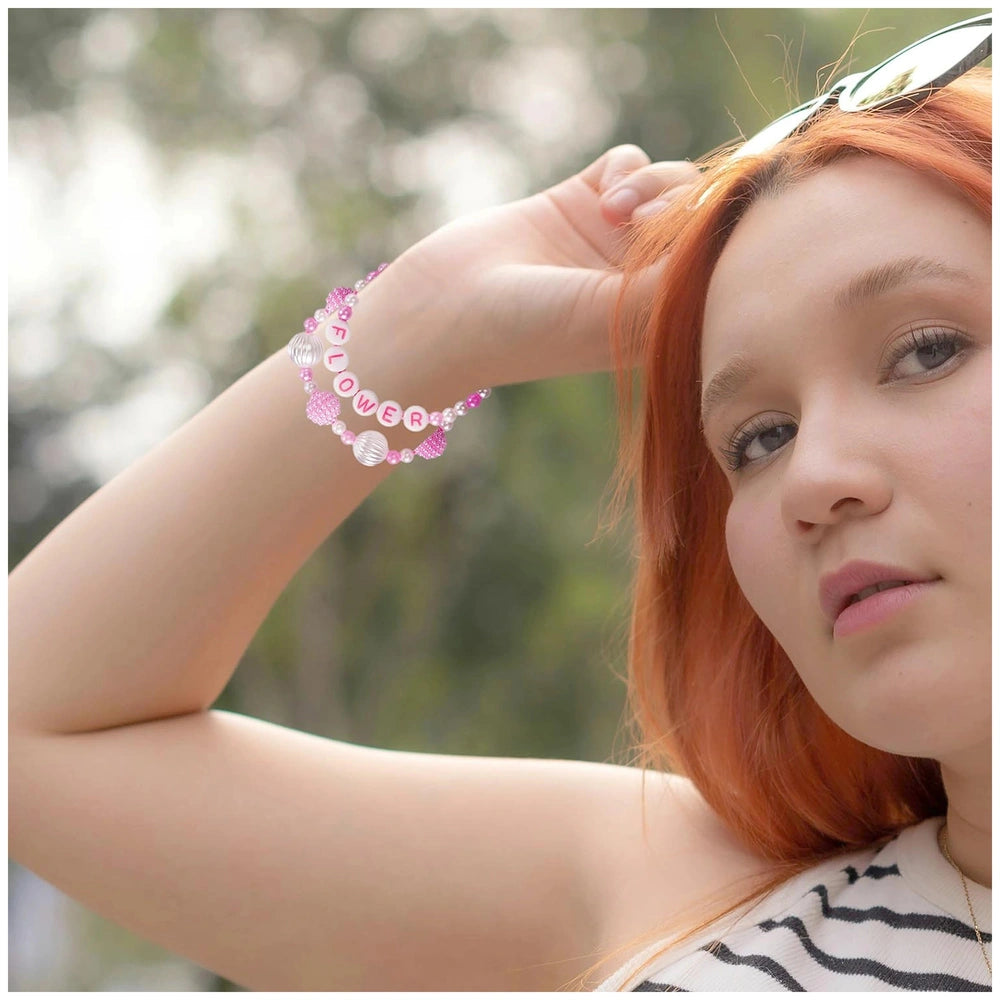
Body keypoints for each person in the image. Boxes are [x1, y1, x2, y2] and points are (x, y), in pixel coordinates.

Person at [9, 14, 991, 992]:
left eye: (927, 350)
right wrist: (418, 333)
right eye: (758, 438)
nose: (812, 481)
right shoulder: (705, 906)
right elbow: (34, 732)